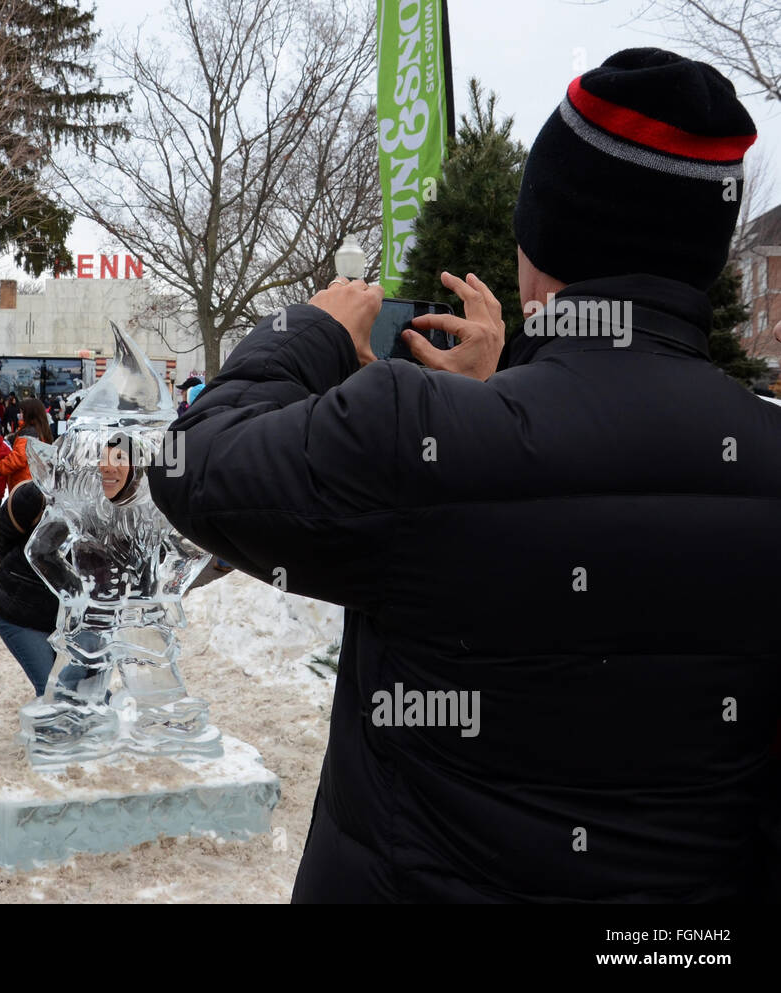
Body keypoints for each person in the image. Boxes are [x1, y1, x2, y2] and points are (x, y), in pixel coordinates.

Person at [149, 49, 781, 902]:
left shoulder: (418, 436)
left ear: (540, 242)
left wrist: (314, 329)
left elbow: (196, 461)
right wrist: (498, 398)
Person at [0, 480, 59, 696]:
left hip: (73, 620)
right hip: (21, 613)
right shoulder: (36, 495)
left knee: (91, 695)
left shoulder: (119, 507)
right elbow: (5, 535)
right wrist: (21, 570)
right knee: (52, 691)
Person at [0, 397, 52, 490]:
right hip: (33, 480)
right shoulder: (41, 430)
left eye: (22, 412)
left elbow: (18, 458)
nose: (19, 415)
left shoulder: (28, 434)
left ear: (29, 414)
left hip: (23, 483)